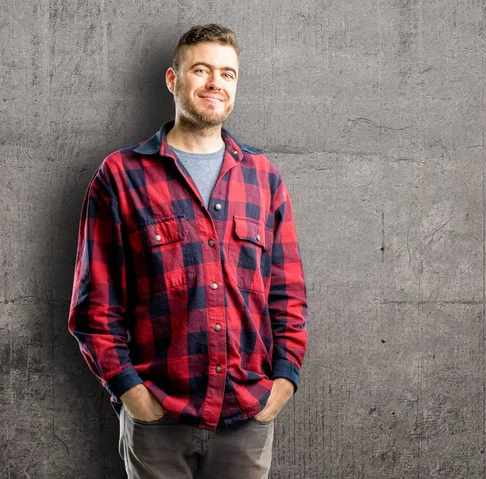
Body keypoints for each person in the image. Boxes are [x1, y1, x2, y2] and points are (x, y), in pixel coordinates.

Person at [67, 23, 308, 479]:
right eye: (202, 70)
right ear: (173, 80)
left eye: (228, 73)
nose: (216, 82)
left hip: (247, 416)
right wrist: (133, 393)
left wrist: (283, 382)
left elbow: (287, 295)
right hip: (158, 418)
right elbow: (94, 306)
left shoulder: (263, 177)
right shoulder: (121, 176)